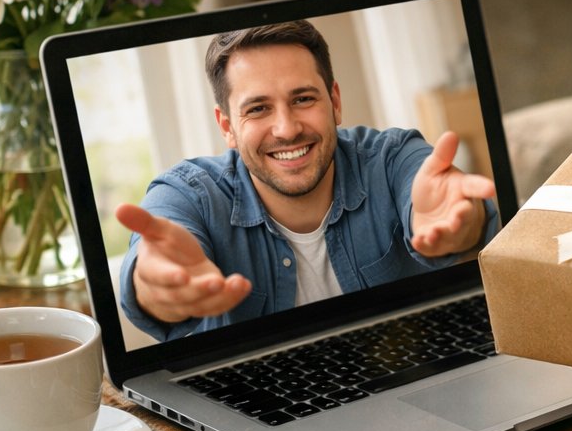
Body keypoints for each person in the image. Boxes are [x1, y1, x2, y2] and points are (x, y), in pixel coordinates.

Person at [117, 20, 497, 342]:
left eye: (302, 99)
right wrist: (161, 286)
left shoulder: (391, 156)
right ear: (227, 127)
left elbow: (458, 214)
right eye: (258, 108)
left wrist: (462, 225)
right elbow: (151, 271)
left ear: (334, 101)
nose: (286, 129)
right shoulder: (189, 194)